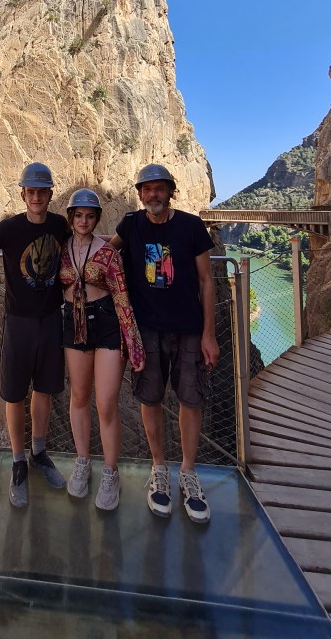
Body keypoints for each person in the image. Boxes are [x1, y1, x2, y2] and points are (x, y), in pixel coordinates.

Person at [110, 164, 218, 523]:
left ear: (170, 191)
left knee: (191, 399)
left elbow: (206, 281)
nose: (153, 195)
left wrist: (208, 333)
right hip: (147, 331)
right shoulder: (131, 225)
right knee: (150, 398)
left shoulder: (190, 227)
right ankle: (160, 469)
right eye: (147, 189)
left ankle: (188, 472)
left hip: (188, 329)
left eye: (160, 189)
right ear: (140, 193)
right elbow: (105, 256)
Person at [0, 162, 69, 507]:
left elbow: (84, 243)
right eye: (31, 192)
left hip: (52, 319)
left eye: (42, 192)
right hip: (19, 321)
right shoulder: (9, 229)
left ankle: (39, 452)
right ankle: (19, 461)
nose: (37, 197)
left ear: (50, 195)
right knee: (14, 393)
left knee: (43, 389)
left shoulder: (59, 225)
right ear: (23, 194)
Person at [59, 188, 146, 510]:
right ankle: (83, 462)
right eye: (78, 215)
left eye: (90, 216)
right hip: (73, 325)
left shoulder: (108, 253)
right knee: (79, 398)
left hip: (108, 324)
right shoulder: (60, 251)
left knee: (106, 403)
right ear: (71, 218)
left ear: (96, 219)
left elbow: (122, 297)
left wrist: (133, 344)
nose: (83, 221)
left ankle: (110, 472)